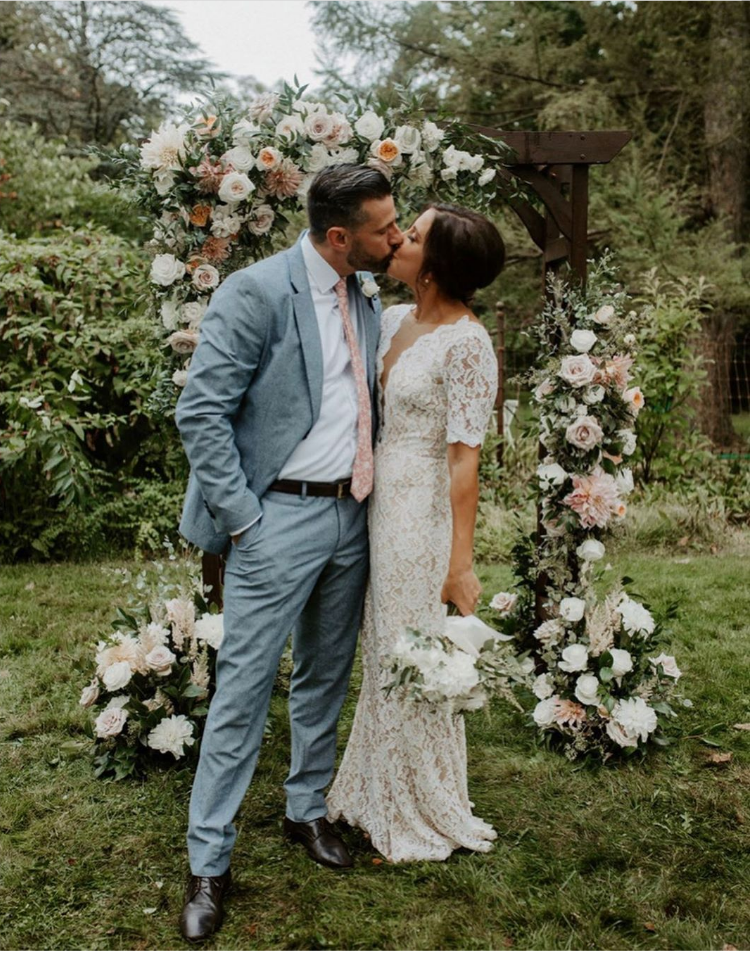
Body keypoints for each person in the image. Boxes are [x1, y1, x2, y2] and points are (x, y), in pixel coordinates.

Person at [174, 164, 402, 942]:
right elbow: (200, 411)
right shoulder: (256, 292)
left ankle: (305, 811)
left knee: (324, 677)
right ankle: (209, 860)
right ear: (340, 238)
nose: (396, 238)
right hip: (275, 520)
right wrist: (244, 521)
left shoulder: (366, 295)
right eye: (383, 229)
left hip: (352, 517)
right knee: (242, 693)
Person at [327, 203, 504, 863]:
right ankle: (374, 786)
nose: (399, 239)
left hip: (419, 514)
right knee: (380, 650)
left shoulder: (467, 342)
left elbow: (465, 457)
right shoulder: (394, 318)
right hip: (372, 504)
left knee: (409, 651)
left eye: (416, 236)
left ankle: (416, 801)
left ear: (435, 265)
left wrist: (460, 563)